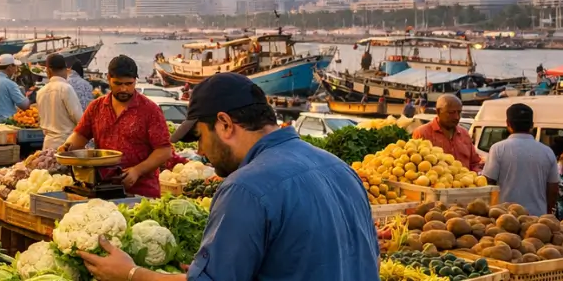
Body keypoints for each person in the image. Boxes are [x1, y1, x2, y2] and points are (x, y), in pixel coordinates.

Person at [79, 72, 378, 281]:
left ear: (224, 124)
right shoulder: (340, 169)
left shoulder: (246, 188)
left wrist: (130, 274)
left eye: (199, 136)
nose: (200, 150)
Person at [58, 56, 171, 198]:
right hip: (103, 189)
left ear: (136, 80)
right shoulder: (96, 107)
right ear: (108, 79)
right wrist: (68, 147)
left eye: (129, 84)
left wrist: (137, 171)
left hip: (143, 193)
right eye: (118, 84)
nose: (124, 89)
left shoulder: (150, 110)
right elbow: (81, 135)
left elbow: (164, 151)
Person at [483, 102, 559, 216]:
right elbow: (553, 188)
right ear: (532, 125)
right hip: (537, 218)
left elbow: (488, 182)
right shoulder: (547, 151)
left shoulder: (498, 149)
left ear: (508, 124)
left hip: (505, 218)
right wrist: (549, 210)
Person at [412, 93, 481, 171]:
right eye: (451, 113)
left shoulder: (464, 134)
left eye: (459, 112)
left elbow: (475, 163)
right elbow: (414, 165)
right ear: (438, 111)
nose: (456, 117)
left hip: (465, 181)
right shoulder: (422, 133)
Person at [37, 53, 83, 151]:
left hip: (48, 145)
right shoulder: (66, 89)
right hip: (66, 145)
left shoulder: (40, 92)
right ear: (66, 69)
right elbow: (80, 119)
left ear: (48, 70)